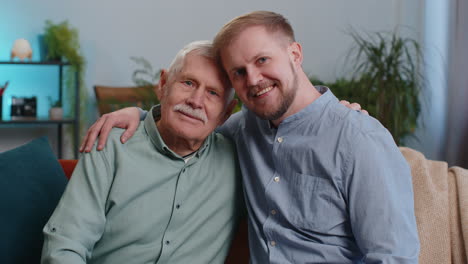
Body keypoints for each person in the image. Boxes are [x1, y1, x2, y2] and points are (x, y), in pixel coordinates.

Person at [80, 11, 420, 263]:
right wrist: (142, 115)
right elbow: (190, 128)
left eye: (262, 60)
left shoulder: (359, 138)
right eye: (238, 72)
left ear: (295, 55)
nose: (254, 79)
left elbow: (393, 256)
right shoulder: (242, 128)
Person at [41, 41, 244, 264]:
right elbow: (65, 245)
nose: (196, 101)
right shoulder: (110, 147)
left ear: (226, 112)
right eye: (188, 82)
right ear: (164, 84)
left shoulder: (240, 161)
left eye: (213, 93)